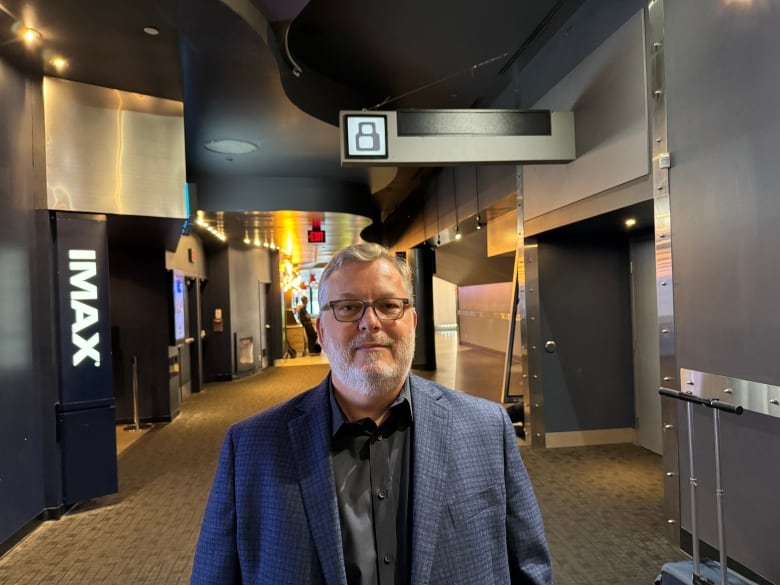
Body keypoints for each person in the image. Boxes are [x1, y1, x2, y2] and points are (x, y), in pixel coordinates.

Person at [190, 242, 552, 585]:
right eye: (348, 307)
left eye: (388, 305)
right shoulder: (252, 447)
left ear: (412, 321)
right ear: (320, 329)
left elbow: (529, 570)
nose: (370, 322)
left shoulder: (486, 429)